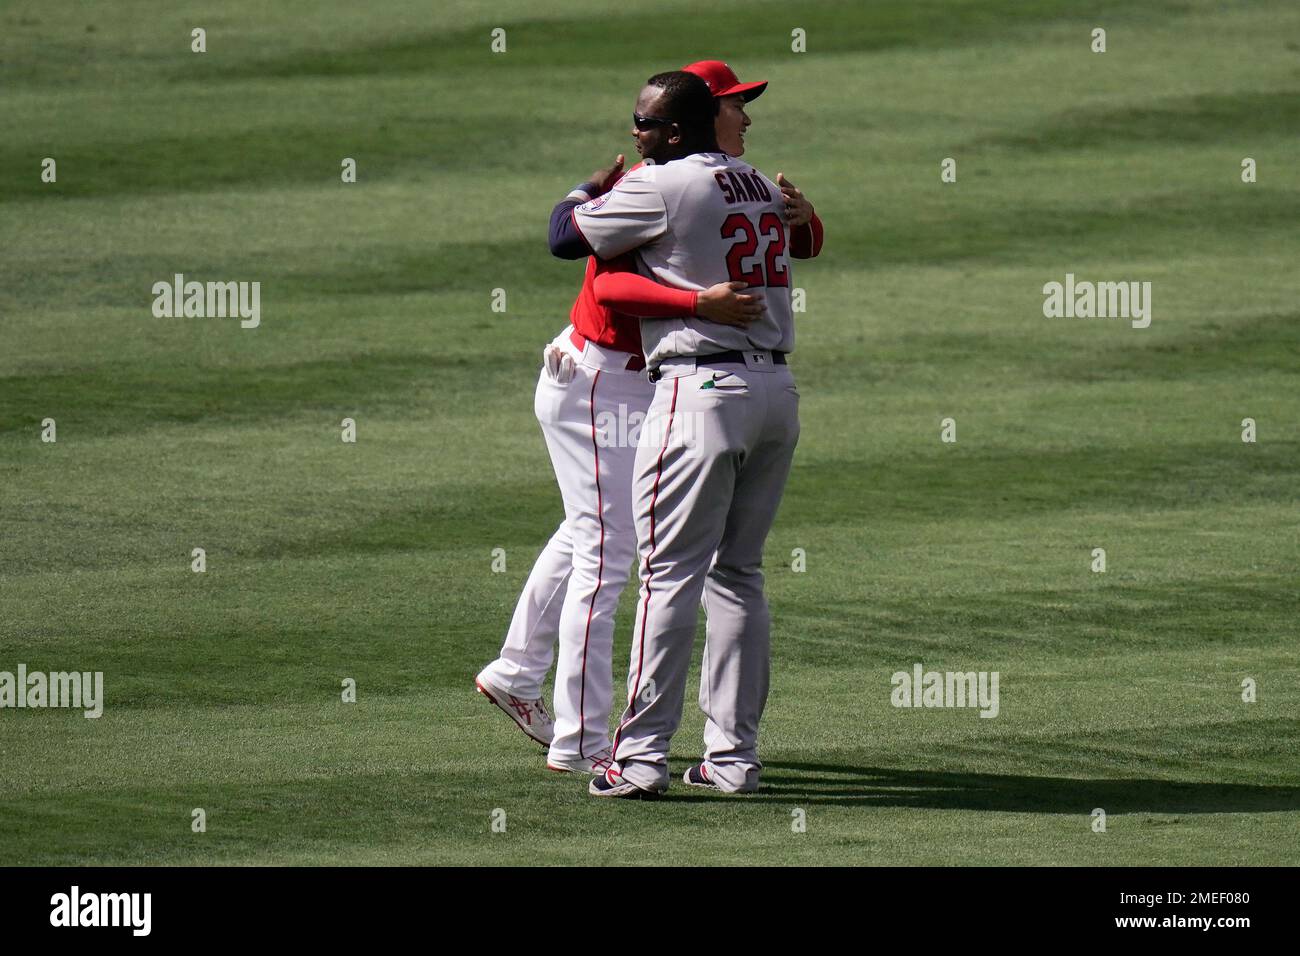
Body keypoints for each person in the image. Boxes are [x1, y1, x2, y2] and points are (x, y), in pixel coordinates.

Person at [476, 62, 821, 778]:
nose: (747, 118)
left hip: (690, 390)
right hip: (726, 388)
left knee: (641, 562)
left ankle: (625, 755)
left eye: (646, 124)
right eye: (737, 106)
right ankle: (727, 756)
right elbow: (604, 277)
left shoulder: (661, 185)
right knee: (692, 563)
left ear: (679, 125)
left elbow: (566, 237)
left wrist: (584, 192)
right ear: (710, 116)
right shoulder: (752, 185)